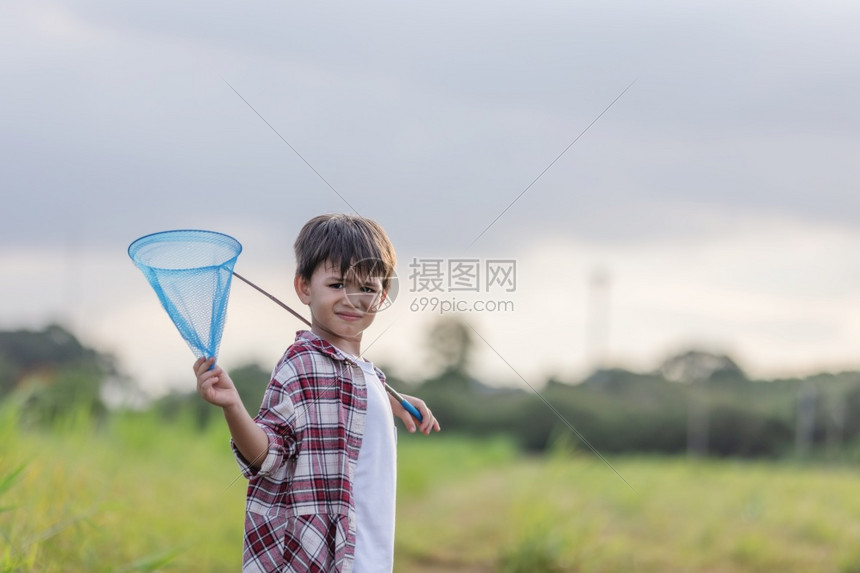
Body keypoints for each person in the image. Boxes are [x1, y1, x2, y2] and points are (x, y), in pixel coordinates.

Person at [194, 213, 439, 572]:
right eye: (337, 284)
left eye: (367, 288)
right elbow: (267, 454)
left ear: (383, 295)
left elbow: (346, 391)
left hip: (367, 548)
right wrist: (233, 407)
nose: (352, 299)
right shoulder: (301, 364)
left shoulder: (364, 372)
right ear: (304, 287)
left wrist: (391, 398)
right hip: (316, 556)